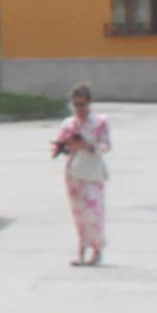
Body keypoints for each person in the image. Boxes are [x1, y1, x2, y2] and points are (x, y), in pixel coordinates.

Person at [51, 89, 113, 266]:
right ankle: (81, 251)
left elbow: (106, 146)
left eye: (83, 104)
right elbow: (63, 145)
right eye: (76, 104)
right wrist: (63, 146)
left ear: (89, 103)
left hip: (92, 171)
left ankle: (97, 250)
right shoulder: (68, 124)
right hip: (74, 172)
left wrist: (87, 145)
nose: (79, 108)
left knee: (94, 212)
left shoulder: (100, 122)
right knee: (79, 213)